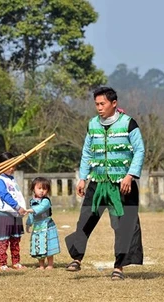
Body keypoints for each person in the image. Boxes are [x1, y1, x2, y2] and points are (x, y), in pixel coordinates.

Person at [65, 86, 145, 281]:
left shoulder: (129, 124)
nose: (99, 108)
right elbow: (87, 152)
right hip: (98, 181)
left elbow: (139, 150)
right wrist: (83, 178)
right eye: (97, 104)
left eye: (103, 104)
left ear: (114, 103)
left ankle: (119, 267)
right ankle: (76, 258)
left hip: (122, 184)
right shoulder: (92, 124)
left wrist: (130, 175)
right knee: (85, 219)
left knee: (124, 225)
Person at [0, 152, 29, 271]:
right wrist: (17, 206)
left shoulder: (12, 179)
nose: (11, 168)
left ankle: (16, 262)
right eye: (8, 165)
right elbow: (4, 195)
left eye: (13, 165)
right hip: (5, 214)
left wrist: (21, 208)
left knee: (15, 239)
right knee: (3, 240)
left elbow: (17, 195)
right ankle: (2, 263)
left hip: (16, 215)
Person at [25, 177, 60, 270]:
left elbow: (41, 208)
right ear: (33, 189)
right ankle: (41, 265)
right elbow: (32, 215)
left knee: (48, 246)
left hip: (47, 225)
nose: (41, 191)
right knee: (38, 246)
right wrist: (28, 223)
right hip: (37, 227)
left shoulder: (46, 201)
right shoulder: (32, 201)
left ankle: (50, 264)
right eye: (39, 188)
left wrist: (31, 210)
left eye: (44, 189)